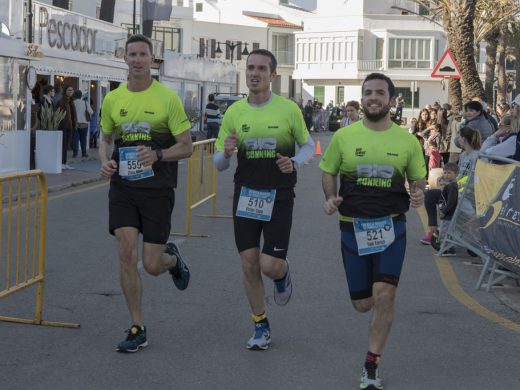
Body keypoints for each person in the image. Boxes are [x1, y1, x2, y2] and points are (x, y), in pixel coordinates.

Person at [319, 73, 426, 390]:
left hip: (392, 227)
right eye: (368, 93)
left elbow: (417, 180)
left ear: (392, 100)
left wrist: (418, 192)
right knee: (363, 303)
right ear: (362, 98)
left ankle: (371, 365)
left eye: (380, 93)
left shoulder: (407, 141)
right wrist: (330, 197)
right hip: (352, 228)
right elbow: (328, 171)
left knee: (384, 296)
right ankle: (371, 342)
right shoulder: (344, 137)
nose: (373, 98)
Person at [213, 48, 314, 351]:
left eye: (260, 69)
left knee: (269, 265)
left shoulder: (288, 109)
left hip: (279, 195)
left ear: (272, 75)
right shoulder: (234, 112)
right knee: (248, 264)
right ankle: (261, 324)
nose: (254, 73)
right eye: (250, 68)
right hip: (246, 194)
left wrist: (294, 162)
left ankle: (282, 274)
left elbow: (308, 146)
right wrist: (227, 153)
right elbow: (218, 163)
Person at [99, 34, 193, 353]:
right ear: (124, 58)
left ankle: (172, 260)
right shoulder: (113, 99)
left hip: (157, 189)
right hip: (123, 188)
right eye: (132, 54)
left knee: (151, 265)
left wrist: (159, 155)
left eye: (143, 54)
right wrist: (104, 162)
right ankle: (137, 327)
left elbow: (187, 146)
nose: (137, 59)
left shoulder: (167, 99)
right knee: (126, 253)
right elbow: (105, 139)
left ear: (151, 59)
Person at [420, 126, 481, 245]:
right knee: (429, 195)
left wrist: (455, 185)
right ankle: (433, 229)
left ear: (463, 139)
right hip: (456, 191)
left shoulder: (477, 156)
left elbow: (473, 178)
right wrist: (445, 180)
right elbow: (459, 175)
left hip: (466, 195)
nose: (457, 139)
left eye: (458, 137)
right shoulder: (464, 155)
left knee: (445, 202)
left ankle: (445, 238)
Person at [433, 162, 459, 256]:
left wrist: (444, 211)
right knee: (448, 231)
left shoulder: (452, 186)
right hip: (448, 214)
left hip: (449, 214)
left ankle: (447, 249)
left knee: (444, 232)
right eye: (445, 172)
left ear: (456, 174)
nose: (446, 175)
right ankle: (450, 248)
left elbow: (451, 201)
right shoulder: (450, 185)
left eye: (449, 173)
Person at [57, 85, 77, 170]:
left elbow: (73, 114)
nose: (71, 92)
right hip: (63, 126)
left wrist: (74, 123)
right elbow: (58, 114)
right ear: (65, 91)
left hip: (70, 126)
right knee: (63, 145)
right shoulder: (61, 101)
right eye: (69, 90)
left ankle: (64, 163)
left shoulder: (71, 101)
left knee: (66, 145)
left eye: (72, 90)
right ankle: (61, 163)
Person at [72, 90, 93, 158]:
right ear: (81, 96)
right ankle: (84, 153)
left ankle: (75, 153)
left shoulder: (73, 103)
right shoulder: (85, 103)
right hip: (84, 124)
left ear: (74, 95)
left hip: (75, 124)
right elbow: (91, 112)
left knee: (75, 138)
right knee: (83, 139)